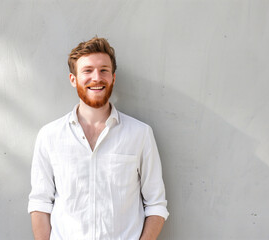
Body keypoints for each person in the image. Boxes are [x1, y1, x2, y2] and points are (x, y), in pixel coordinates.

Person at [28, 37, 169, 240]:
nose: (97, 77)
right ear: (73, 79)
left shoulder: (140, 134)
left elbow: (156, 205)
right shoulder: (50, 136)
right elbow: (40, 204)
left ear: (113, 78)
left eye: (104, 70)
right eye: (87, 70)